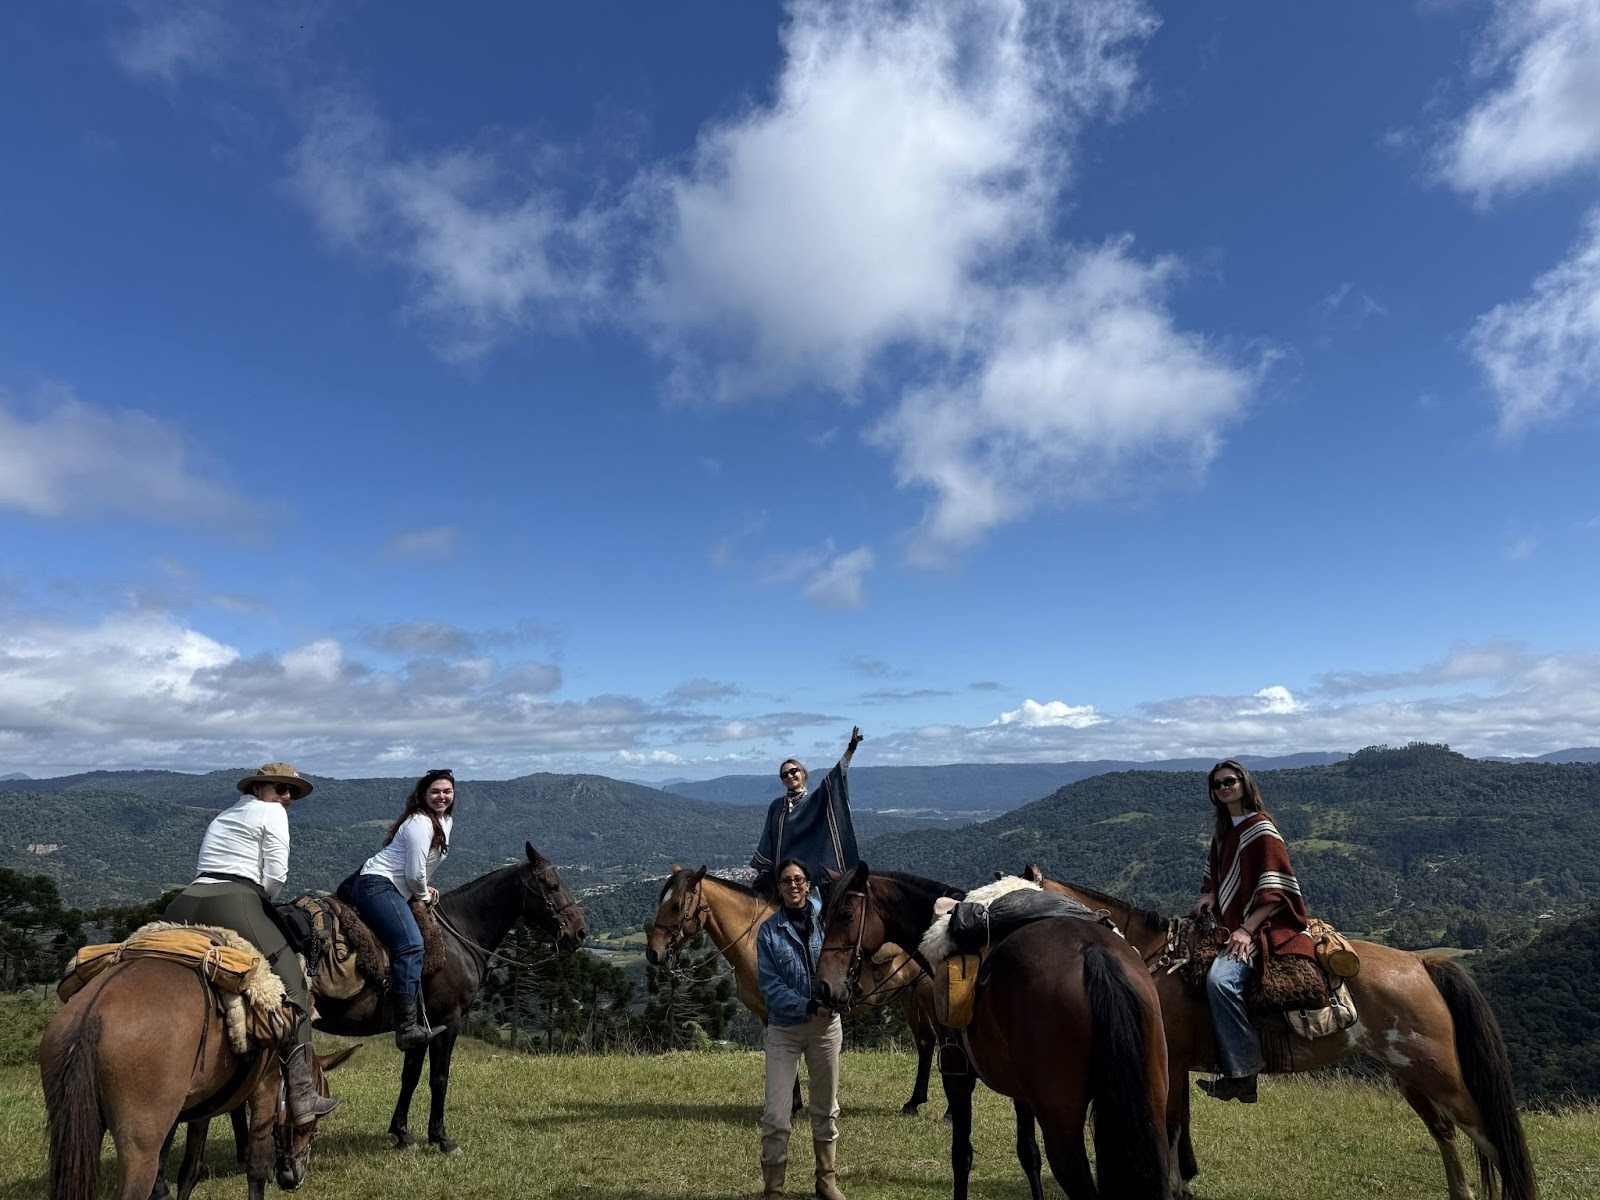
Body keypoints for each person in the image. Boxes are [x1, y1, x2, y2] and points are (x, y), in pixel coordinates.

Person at [164, 762, 339, 1125]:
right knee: (295, 988)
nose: (286, 797)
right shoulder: (272, 812)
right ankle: (303, 1095)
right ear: (259, 788)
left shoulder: (225, 815)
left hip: (186, 900)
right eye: (279, 788)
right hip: (234, 899)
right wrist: (260, 902)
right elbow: (276, 874)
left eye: (290, 792)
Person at [1191, 759, 1316, 1103]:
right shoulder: (1223, 831)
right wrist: (1210, 894)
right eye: (1217, 785)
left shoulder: (1261, 829)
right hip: (1230, 923)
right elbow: (1217, 876)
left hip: (1263, 927)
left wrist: (1246, 930)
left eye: (1230, 781)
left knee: (1222, 980)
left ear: (1245, 784)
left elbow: (1278, 893)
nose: (1224, 787)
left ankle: (1243, 1073)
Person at [755, 858, 846, 1200]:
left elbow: (845, 961)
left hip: (826, 1029)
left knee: (826, 1109)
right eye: (786, 881)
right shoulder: (768, 932)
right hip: (785, 1031)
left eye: (798, 880)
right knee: (776, 1116)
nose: (793, 886)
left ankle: (827, 1180)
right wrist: (807, 1004)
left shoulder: (828, 920)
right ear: (779, 888)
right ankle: (773, 1190)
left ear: (808, 884)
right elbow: (770, 985)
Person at [348, 768, 455, 1050]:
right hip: (379, 885)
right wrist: (421, 893)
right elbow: (413, 873)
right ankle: (406, 1026)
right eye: (435, 791)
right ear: (423, 795)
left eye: (447, 791)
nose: (441, 796)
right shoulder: (420, 823)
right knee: (411, 945)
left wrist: (424, 886)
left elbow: (421, 868)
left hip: (393, 885)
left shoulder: (445, 820)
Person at [751, 727, 863, 897]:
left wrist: (850, 750)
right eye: (784, 775)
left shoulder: (813, 802)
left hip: (807, 883)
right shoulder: (776, 806)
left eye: (793, 771)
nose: (789, 776)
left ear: (803, 773)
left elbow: (836, 777)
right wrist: (765, 870)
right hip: (779, 880)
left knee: (814, 916)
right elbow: (768, 838)